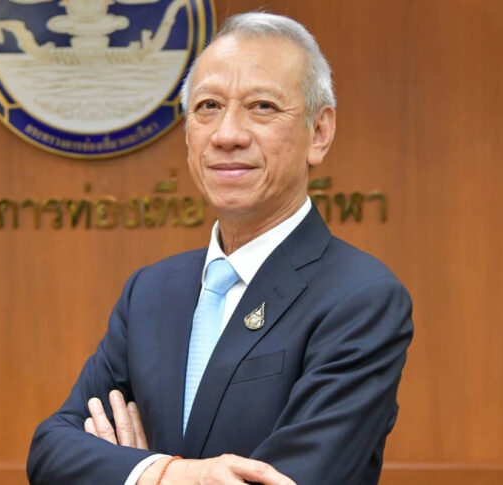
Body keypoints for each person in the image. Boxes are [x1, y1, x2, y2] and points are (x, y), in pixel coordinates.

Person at [27, 11, 413, 485]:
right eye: (208, 106)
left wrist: (127, 471)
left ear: (319, 132)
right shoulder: (150, 292)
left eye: (262, 106)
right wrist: (163, 474)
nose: (228, 135)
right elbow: (51, 451)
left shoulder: (361, 298)